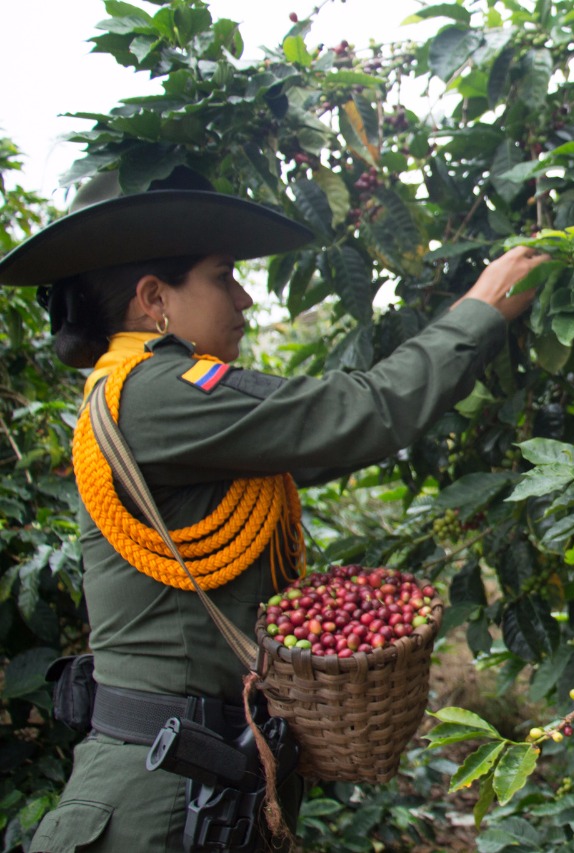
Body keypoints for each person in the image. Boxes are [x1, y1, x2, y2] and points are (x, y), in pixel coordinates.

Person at [0, 165, 545, 852]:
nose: (245, 297)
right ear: (152, 299)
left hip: (204, 782)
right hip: (158, 798)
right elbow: (361, 412)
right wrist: (484, 306)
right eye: (224, 275)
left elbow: (323, 443)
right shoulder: (152, 391)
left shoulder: (161, 396)